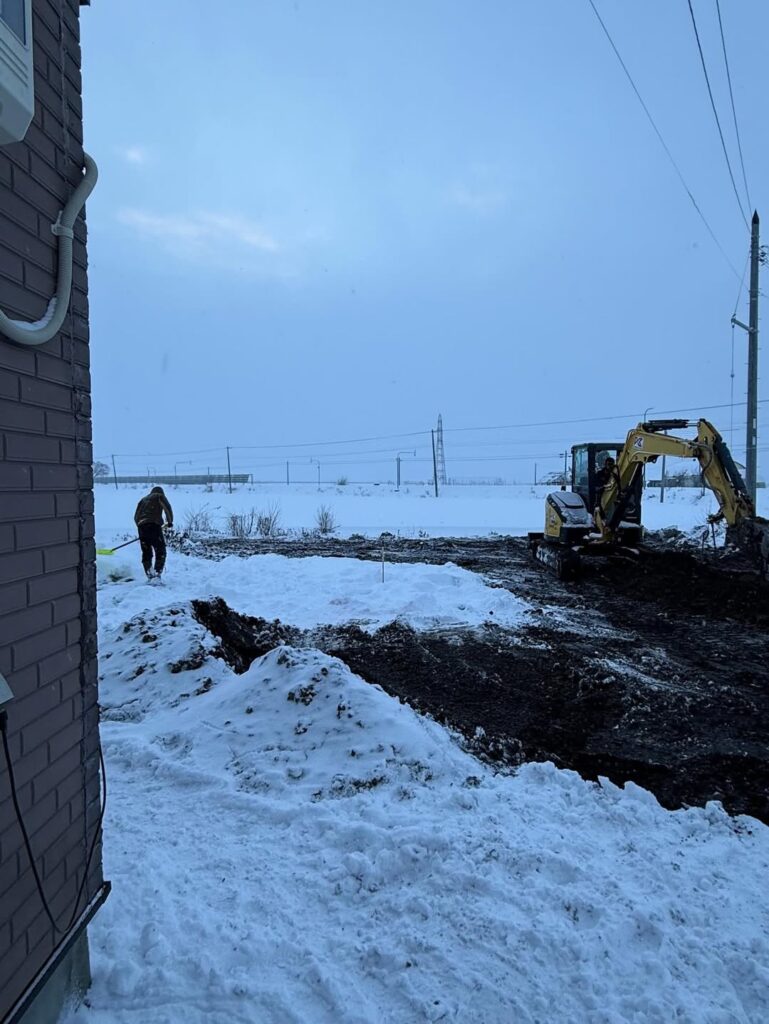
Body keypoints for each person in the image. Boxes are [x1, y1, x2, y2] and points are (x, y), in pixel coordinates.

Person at [134, 486, 174, 579]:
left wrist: (141, 528)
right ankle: (157, 573)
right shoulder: (159, 496)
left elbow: (136, 516)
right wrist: (170, 521)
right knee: (160, 550)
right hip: (154, 525)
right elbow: (167, 508)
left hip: (142, 527)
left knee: (146, 552)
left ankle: (149, 573)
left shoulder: (143, 500)